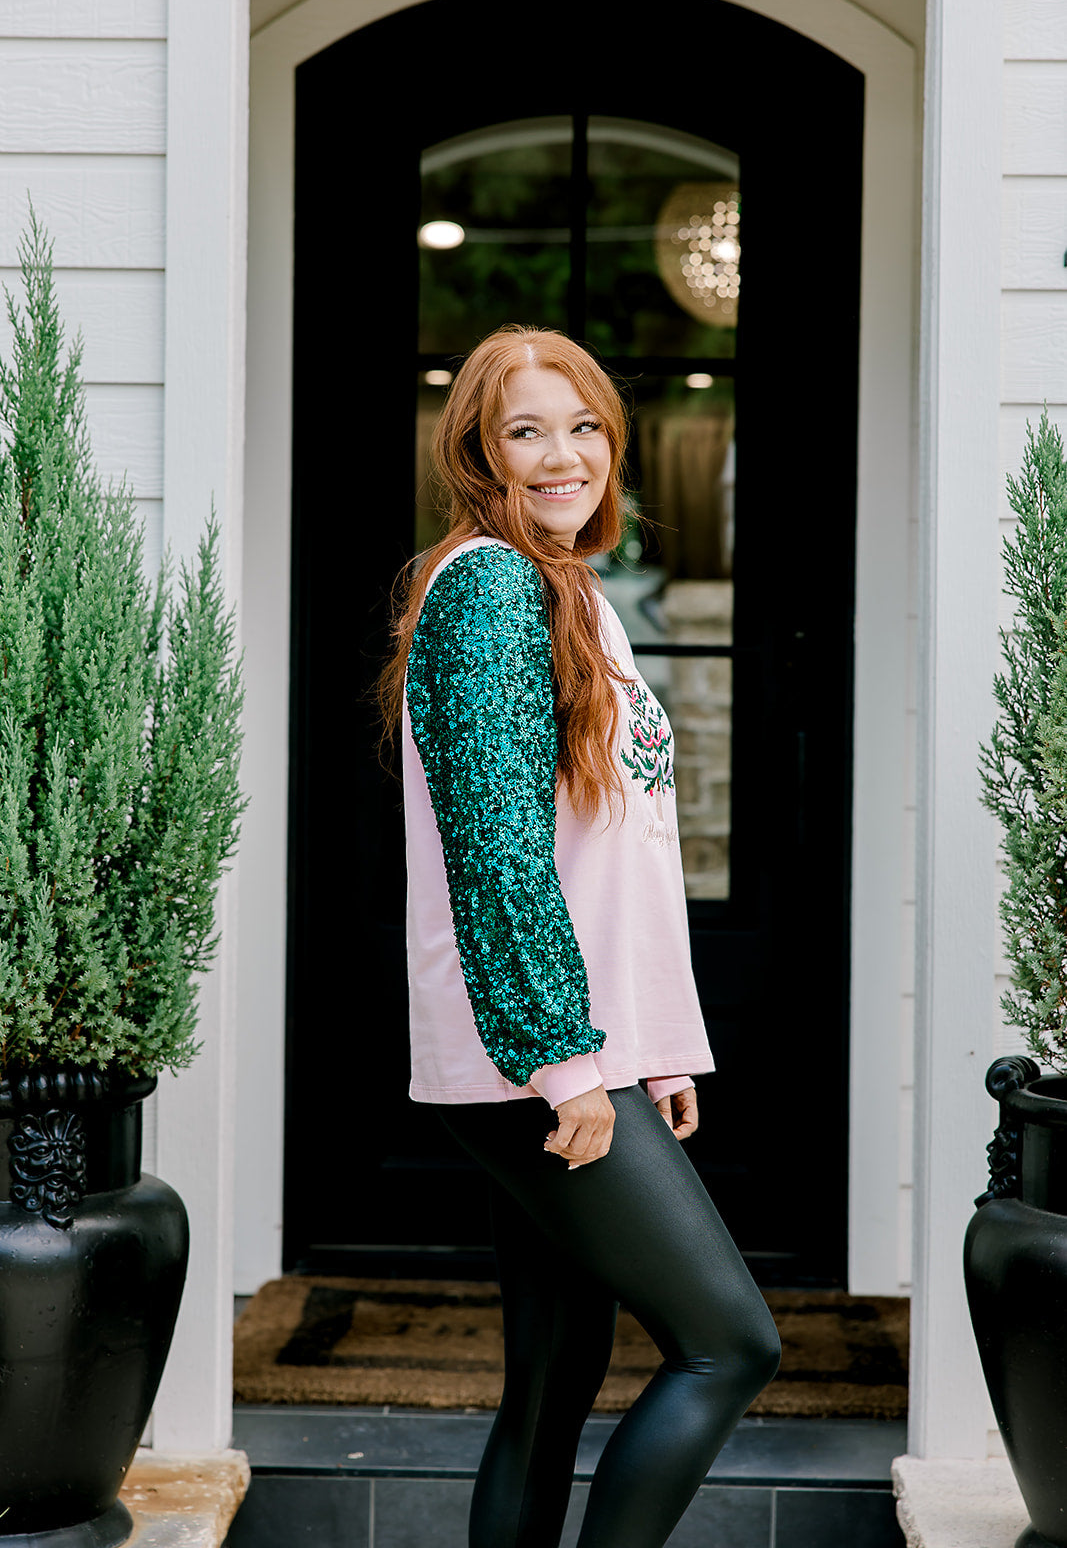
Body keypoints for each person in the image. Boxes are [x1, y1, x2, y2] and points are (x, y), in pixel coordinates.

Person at [380, 326, 780, 1548]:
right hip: (538, 1056)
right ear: (476, 454)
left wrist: (658, 1048)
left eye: (585, 425)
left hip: (576, 1047)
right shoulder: (491, 585)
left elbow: (613, 856)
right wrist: (566, 1061)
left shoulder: (563, 589)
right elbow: (496, 853)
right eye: (523, 430)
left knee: (553, 1381)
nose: (563, 455)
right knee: (727, 1344)